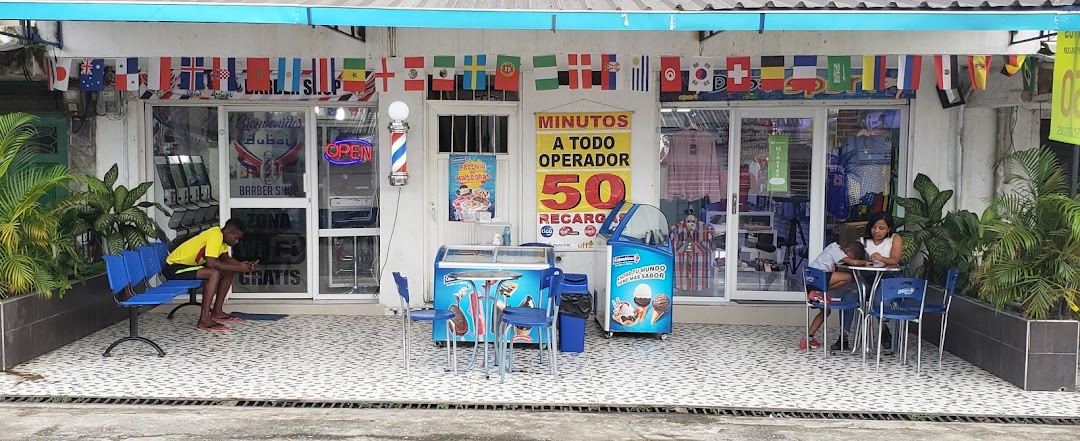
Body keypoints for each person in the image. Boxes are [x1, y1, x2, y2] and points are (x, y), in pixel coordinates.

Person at [162, 219, 258, 331]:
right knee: (213, 273)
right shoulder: (215, 235)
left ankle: (217, 312)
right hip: (174, 268)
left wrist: (243, 265)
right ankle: (204, 319)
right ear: (228, 233)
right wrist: (239, 267)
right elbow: (211, 263)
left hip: (187, 267)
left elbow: (226, 259)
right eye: (236, 238)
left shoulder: (222, 239)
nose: (236, 242)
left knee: (228, 271)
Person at [832, 211, 906, 351]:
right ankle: (844, 337)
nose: (876, 231)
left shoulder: (894, 239)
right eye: (874, 227)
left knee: (878, 301)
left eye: (881, 228)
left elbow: (895, 260)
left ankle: (884, 329)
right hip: (868, 280)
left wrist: (882, 259)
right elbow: (852, 260)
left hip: (888, 280)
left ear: (889, 229)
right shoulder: (862, 242)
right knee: (848, 297)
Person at [801, 240, 871, 350]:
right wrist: (864, 262)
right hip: (819, 277)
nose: (848, 258)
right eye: (851, 256)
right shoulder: (836, 250)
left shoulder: (832, 248)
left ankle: (808, 337)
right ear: (848, 251)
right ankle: (819, 292)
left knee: (826, 311)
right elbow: (853, 263)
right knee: (848, 277)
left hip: (812, 281)